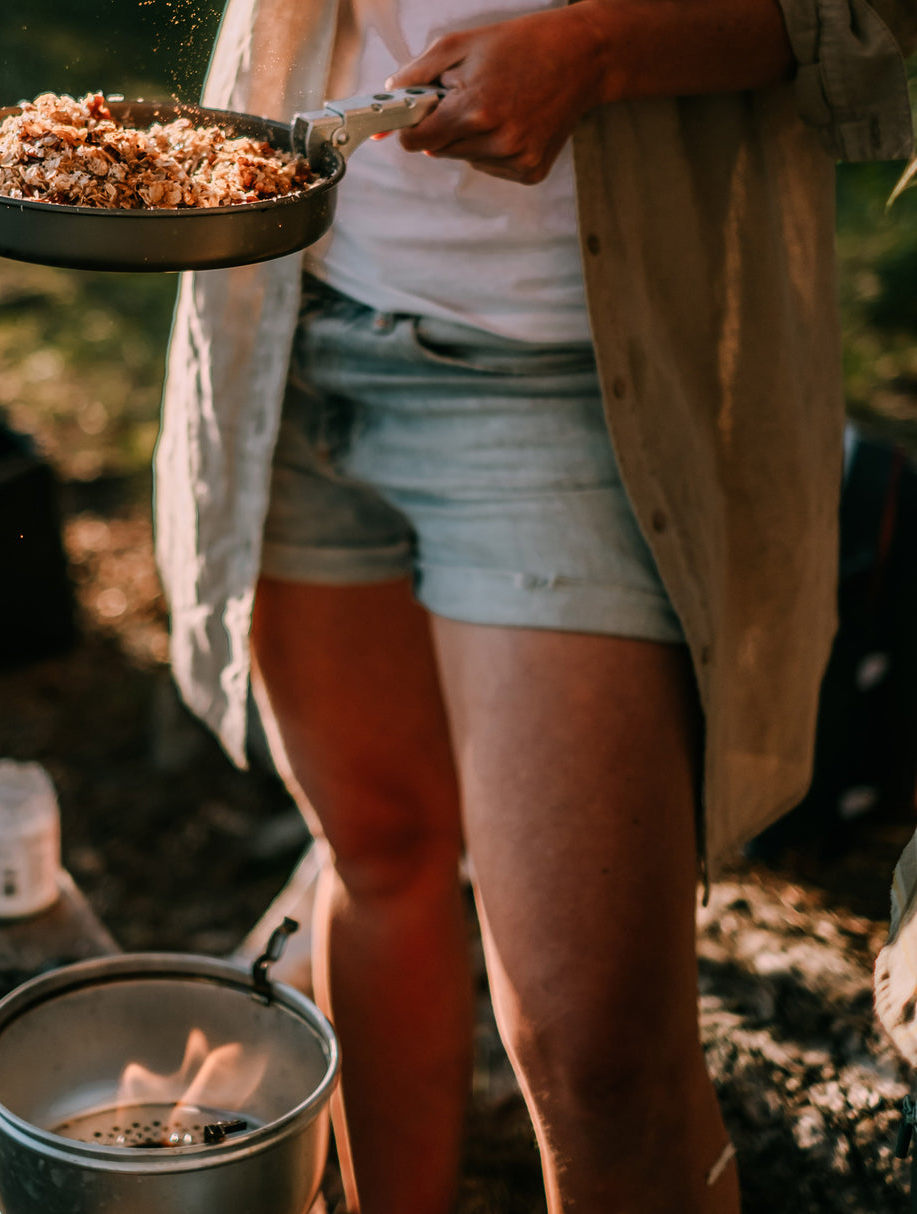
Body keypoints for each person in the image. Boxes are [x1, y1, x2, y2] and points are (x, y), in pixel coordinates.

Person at [155, 0, 917, 1210]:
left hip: (561, 371)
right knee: (378, 851)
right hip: (290, 310)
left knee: (596, 1055)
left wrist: (598, 49)